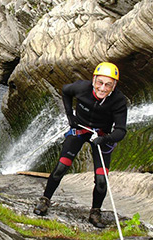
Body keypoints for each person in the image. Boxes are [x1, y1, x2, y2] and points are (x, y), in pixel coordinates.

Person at [33, 62, 127, 228]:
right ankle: (45, 200)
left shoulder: (118, 101)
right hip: (80, 130)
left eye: (108, 84)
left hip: (101, 136)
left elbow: (121, 130)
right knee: (62, 167)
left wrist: (105, 139)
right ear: (94, 80)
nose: (103, 88)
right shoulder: (81, 88)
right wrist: (70, 116)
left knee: (101, 180)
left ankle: (95, 212)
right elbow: (65, 91)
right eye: (100, 82)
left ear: (114, 86)